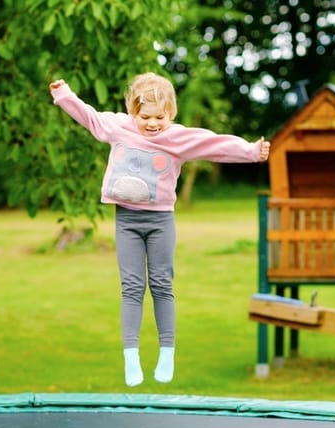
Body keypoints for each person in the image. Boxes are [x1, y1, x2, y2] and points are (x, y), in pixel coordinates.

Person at [49, 72, 270, 386]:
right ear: (132, 112)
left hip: (160, 222)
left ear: (171, 114)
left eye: (159, 118)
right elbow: (90, 117)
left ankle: (167, 353)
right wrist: (65, 95)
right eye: (145, 117)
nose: (152, 124)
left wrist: (249, 151)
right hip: (126, 221)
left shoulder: (177, 137)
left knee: (162, 285)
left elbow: (213, 144)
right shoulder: (119, 127)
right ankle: (131, 358)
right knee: (132, 288)